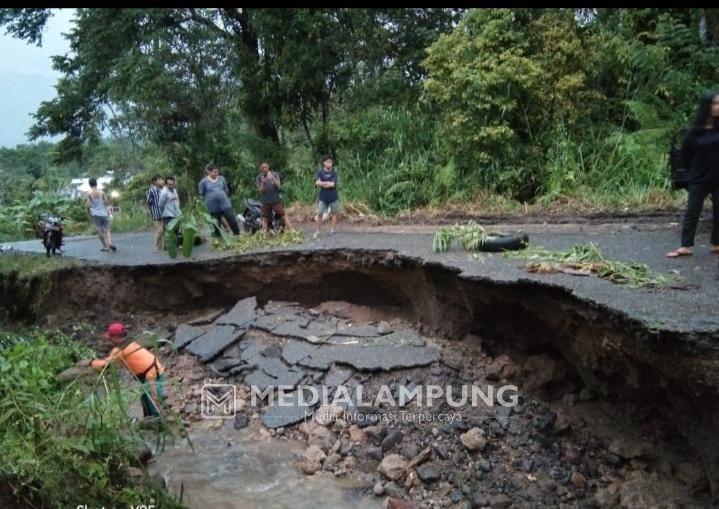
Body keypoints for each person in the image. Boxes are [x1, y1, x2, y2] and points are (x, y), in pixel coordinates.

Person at [667, 91, 719, 258]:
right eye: (715, 104)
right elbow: (685, 155)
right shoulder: (694, 132)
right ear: (707, 106)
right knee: (692, 211)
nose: (718, 107)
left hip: (718, 177)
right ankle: (686, 246)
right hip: (698, 178)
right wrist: (692, 173)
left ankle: (717, 243)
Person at [76, 323, 166, 418]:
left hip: (152, 374)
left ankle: (159, 422)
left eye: (110, 337)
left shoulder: (123, 350)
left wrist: (90, 362)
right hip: (148, 371)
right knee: (145, 397)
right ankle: (149, 419)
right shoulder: (130, 343)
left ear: (116, 337)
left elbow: (106, 365)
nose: (108, 340)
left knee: (153, 400)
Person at [198, 163, 240, 235]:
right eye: (214, 172)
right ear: (209, 172)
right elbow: (201, 192)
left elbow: (226, 189)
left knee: (232, 220)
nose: (216, 173)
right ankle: (218, 240)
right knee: (216, 225)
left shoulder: (221, 179)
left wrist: (221, 196)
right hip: (212, 207)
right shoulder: (203, 182)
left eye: (217, 172)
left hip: (225, 204)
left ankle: (237, 235)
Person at [256, 161, 292, 232]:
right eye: (262, 168)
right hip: (266, 201)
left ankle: (292, 231)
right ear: (260, 169)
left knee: (283, 215)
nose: (264, 169)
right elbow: (260, 191)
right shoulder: (259, 178)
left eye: (265, 167)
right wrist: (263, 182)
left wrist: (272, 178)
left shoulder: (275, 174)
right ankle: (263, 236)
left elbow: (279, 186)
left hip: (275, 200)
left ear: (268, 167)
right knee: (265, 218)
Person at [313, 155, 340, 240]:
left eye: (331, 162)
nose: (329, 163)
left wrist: (323, 183)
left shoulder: (334, 173)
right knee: (319, 213)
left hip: (333, 196)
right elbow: (317, 183)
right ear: (324, 163)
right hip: (323, 197)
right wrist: (326, 183)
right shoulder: (320, 172)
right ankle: (318, 231)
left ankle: (332, 230)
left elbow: (332, 184)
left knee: (335, 213)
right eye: (328, 162)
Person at [86, 177, 116, 252]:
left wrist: (88, 212)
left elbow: (88, 205)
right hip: (103, 213)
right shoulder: (102, 192)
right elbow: (106, 202)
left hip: (95, 214)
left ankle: (105, 246)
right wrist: (108, 207)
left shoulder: (89, 194)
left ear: (89, 185)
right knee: (107, 229)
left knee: (99, 230)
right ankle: (110, 243)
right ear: (96, 183)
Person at [145, 175, 165, 253]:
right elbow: (148, 202)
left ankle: (164, 247)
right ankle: (157, 248)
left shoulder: (163, 189)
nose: (162, 181)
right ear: (155, 182)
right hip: (157, 214)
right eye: (159, 180)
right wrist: (151, 211)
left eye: (162, 179)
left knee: (165, 231)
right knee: (159, 231)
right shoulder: (151, 190)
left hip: (165, 213)